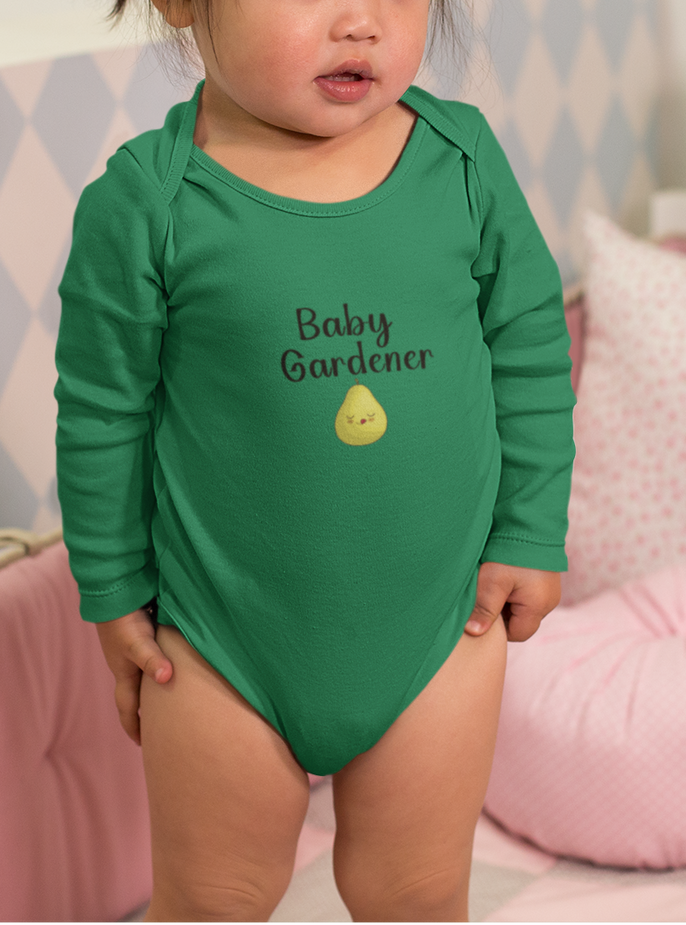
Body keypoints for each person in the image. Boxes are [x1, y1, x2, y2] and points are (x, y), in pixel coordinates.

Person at [54, 0, 575, 921]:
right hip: (219, 641)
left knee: (413, 893)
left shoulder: (461, 164)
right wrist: (113, 589)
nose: (361, 21)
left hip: (440, 625)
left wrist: (530, 528)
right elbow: (102, 413)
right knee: (212, 899)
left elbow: (528, 347)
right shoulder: (149, 201)